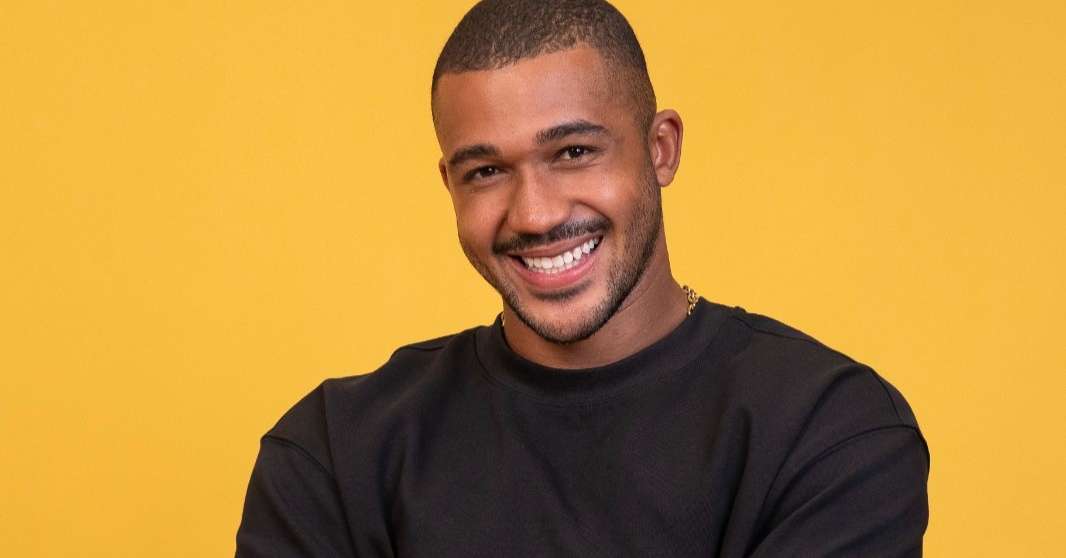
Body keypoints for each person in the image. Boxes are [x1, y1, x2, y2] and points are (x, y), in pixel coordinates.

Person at [235, 1, 930, 556]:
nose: (534, 214)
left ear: (661, 149)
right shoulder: (335, 453)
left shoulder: (828, 432)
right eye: (486, 171)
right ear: (449, 185)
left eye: (573, 152)